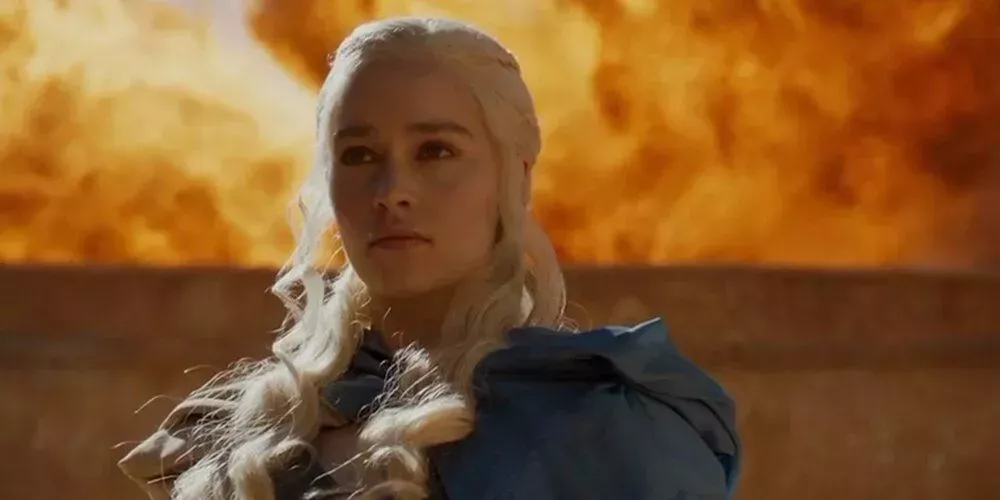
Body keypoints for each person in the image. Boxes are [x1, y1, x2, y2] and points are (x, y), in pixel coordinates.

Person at [118, 16, 741, 500]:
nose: (392, 191)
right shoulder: (250, 428)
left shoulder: (602, 432)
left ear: (515, 177)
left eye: (436, 151)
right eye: (359, 155)